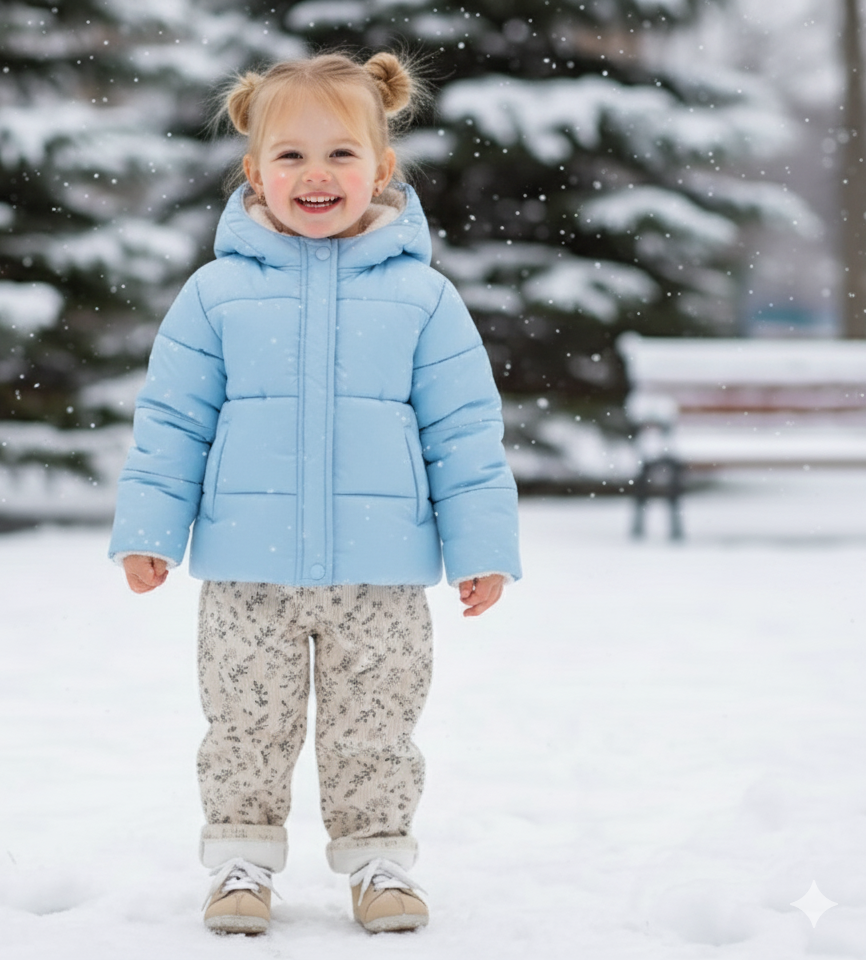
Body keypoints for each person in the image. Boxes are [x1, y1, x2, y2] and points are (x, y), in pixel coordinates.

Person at [109, 50, 521, 936]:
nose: (316, 174)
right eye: (290, 155)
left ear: (383, 167)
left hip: (382, 573)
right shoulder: (215, 295)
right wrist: (149, 528)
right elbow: (172, 421)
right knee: (244, 723)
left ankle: (379, 860)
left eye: (341, 153)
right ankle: (241, 863)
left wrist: (481, 547)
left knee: (375, 725)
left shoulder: (423, 298)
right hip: (245, 572)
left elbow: (463, 432)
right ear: (255, 172)